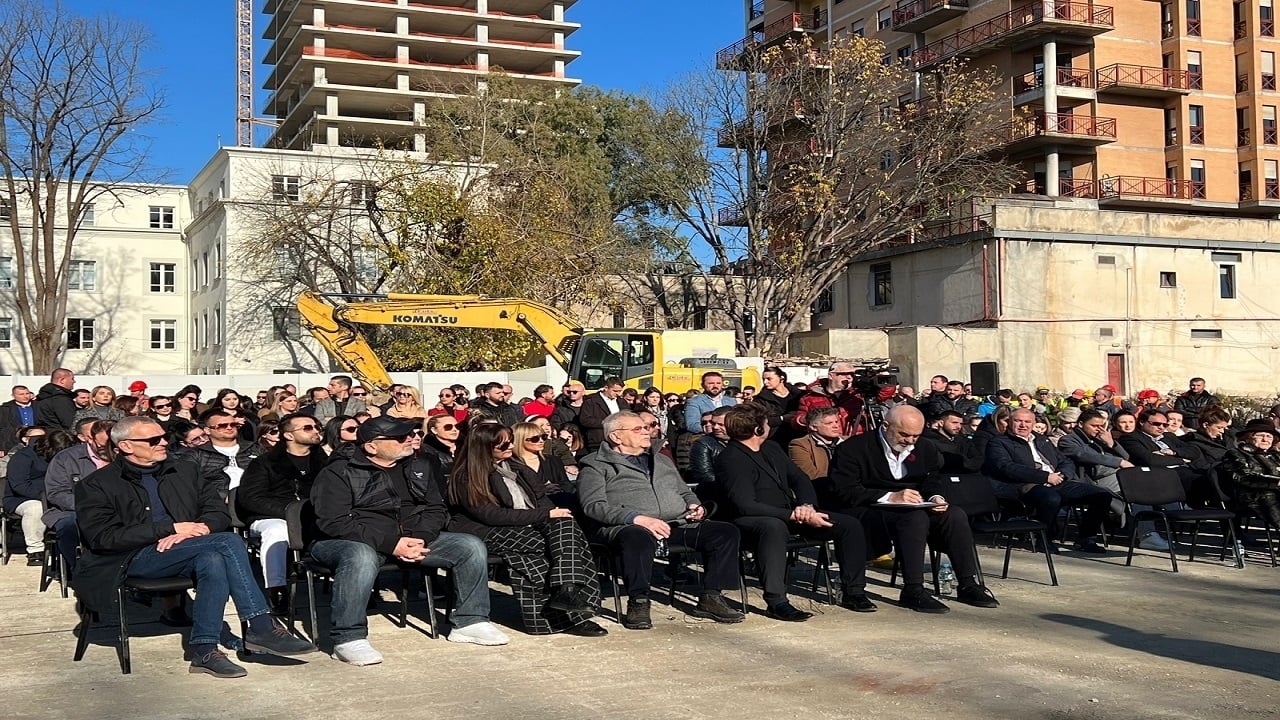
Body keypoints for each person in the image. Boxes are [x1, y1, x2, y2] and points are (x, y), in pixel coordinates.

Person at [73, 416, 317, 678]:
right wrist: (171, 529)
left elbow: (217, 512)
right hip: (128, 558)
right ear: (126, 446)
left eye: (164, 436)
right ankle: (261, 625)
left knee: (212, 558)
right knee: (228, 541)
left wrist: (195, 531)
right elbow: (102, 538)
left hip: (188, 547)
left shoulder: (184, 470)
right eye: (154, 440)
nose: (164, 442)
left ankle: (204, 650)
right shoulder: (97, 484)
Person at [310, 416, 509, 664]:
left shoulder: (420, 465)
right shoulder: (338, 472)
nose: (410, 440)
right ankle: (348, 638)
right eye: (400, 437)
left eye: (410, 434)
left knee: (468, 546)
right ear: (371, 446)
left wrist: (418, 539)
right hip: (347, 540)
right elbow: (335, 521)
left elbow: (436, 508)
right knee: (360, 555)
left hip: (411, 537)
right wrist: (392, 544)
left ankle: (470, 621)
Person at [577, 410, 745, 630]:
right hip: (624, 526)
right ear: (616, 436)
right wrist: (637, 518)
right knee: (636, 537)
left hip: (675, 523)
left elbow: (684, 491)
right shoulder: (595, 465)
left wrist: (694, 505)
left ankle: (711, 596)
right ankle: (638, 600)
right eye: (638, 429)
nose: (647, 432)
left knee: (724, 532)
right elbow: (593, 505)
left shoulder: (661, 459)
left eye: (647, 427)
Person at [828, 405, 999, 614]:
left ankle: (967, 583)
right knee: (913, 518)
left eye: (915, 436)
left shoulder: (924, 447)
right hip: (869, 507)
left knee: (954, 515)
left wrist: (936, 497)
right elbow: (845, 490)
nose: (910, 441)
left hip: (913, 504)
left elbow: (931, 479)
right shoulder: (854, 448)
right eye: (904, 434)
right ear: (885, 426)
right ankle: (913, 588)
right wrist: (891, 497)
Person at [716, 404, 875, 620]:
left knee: (849, 525)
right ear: (757, 429)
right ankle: (776, 601)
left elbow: (800, 479)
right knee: (772, 528)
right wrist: (792, 515)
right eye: (766, 423)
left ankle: (853, 591)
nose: (769, 427)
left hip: (792, 513)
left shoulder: (771, 448)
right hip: (751, 520)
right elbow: (744, 504)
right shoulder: (732, 458)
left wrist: (807, 506)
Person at [448, 423, 605, 637]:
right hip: (487, 530)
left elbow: (541, 499)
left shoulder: (517, 467)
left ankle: (567, 589)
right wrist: (545, 516)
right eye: (503, 444)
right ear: (484, 448)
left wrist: (551, 514)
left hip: (527, 523)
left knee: (566, 525)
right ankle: (567, 607)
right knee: (558, 545)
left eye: (511, 440)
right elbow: (491, 516)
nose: (510, 446)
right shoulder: (467, 475)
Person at [984, 408, 1112, 553]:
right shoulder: (999, 442)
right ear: (1009, 422)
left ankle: (1086, 538)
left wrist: (1062, 475)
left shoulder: (1042, 439)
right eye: (1018, 421)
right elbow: (1006, 467)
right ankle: (1044, 539)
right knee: (1051, 498)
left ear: (1033, 423)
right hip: (1023, 484)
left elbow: (1065, 460)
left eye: (1027, 422)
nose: (1023, 425)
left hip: (1056, 480)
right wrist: (1044, 477)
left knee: (1101, 495)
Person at [237, 413, 328, 614]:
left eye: (316, 427)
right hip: (270, 516)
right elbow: (250, 498)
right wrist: (289, 511)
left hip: (315, 514)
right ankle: (277, 589)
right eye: (307, 428)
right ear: (288, 435)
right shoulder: (265, 463)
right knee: (278, 531)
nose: (315, 431)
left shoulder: (324, 462)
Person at [1057, 409, 1169, 552]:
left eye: (1101, 426)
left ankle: (1150, 529)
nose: (1099, 429)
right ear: (1081, 424)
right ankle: (1147, 534)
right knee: (1136, 486)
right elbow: (1083, 455)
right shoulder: (1068, 440)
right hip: (1089, 480)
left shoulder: (1100, 438)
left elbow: (1127, 457)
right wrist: (1117, 462)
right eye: (1094, 426)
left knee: (1143, 483)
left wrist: (1112, 444)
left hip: (1114, 475)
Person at [42, 419, 115, 577]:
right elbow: (57, 492)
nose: (108, 450)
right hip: (74, 510)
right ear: (89, 439)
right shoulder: (66, 458)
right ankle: (79, 571)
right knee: (69, 525)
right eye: (103, 446)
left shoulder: (123, 455)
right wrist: (88, 506)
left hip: (116, 508)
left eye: (112, 445)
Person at [4, 430, 75, 564]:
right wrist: (46, 498)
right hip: (22, 499)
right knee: (35, 508)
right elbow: (19, 485)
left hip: (59, 495)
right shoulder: (24, 456)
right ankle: (35, 550)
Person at [1223, 419, 1280, 531]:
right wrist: (1276, 482)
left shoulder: (1275, 456)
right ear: (1247, 437)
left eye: (1269, 436)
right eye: (1260, 435)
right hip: (1249, 496)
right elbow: (1243, 477)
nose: (1265, 439)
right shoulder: (1235, 454)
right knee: (1268, 495)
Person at [195, 408, 263, 498]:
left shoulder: (255, 449)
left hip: (257, 498)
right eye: (222, 426)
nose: (229, 428)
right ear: (207, 430)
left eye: (233, 424)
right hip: (218, 503)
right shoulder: (197, 454)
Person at [787, 406, 845, 506]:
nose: (836, 426)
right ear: (813, 427)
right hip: (821, 495)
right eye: (829, 423)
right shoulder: (799, 444)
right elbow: (809, 475)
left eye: (837, 421)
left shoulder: (849, 442)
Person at [509, 421, 574, 498]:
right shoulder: (510, 464)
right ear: (520, 440)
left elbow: (566, 484)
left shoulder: (553, 460)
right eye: (535, 439)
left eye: (544, 437)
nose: (541, 441)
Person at [918, 410, 984, 475]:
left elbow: (978, 459)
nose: (958, 427)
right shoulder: (928, 441)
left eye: (961, 424)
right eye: (954, 423)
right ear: (941, 423)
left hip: (966, 479)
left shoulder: (964, 440)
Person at [754, 367, 802, 445]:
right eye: (763, 379)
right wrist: (781, 419)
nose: (765, 382)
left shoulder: (798, 395)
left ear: (781, 378)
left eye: (769, 379)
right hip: (774, 439)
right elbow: (758, 420)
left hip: (799, 437)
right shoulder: (761, 399)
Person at [578, 377, 626, 452]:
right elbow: (585, 420)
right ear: (606, 388)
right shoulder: (591, 401)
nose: (618, 393)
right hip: (598, 441)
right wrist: (607, 423)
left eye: (620, 391)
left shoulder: (622, 402)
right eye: (615, 391)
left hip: (620, 441)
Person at [0, 385, 37, 451]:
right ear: (13, 395)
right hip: (13, 443)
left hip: (35, 441)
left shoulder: (38, 406)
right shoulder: (5, 409)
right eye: (21, 394)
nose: (25, 396)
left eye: (27, 393)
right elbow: (3, 428)